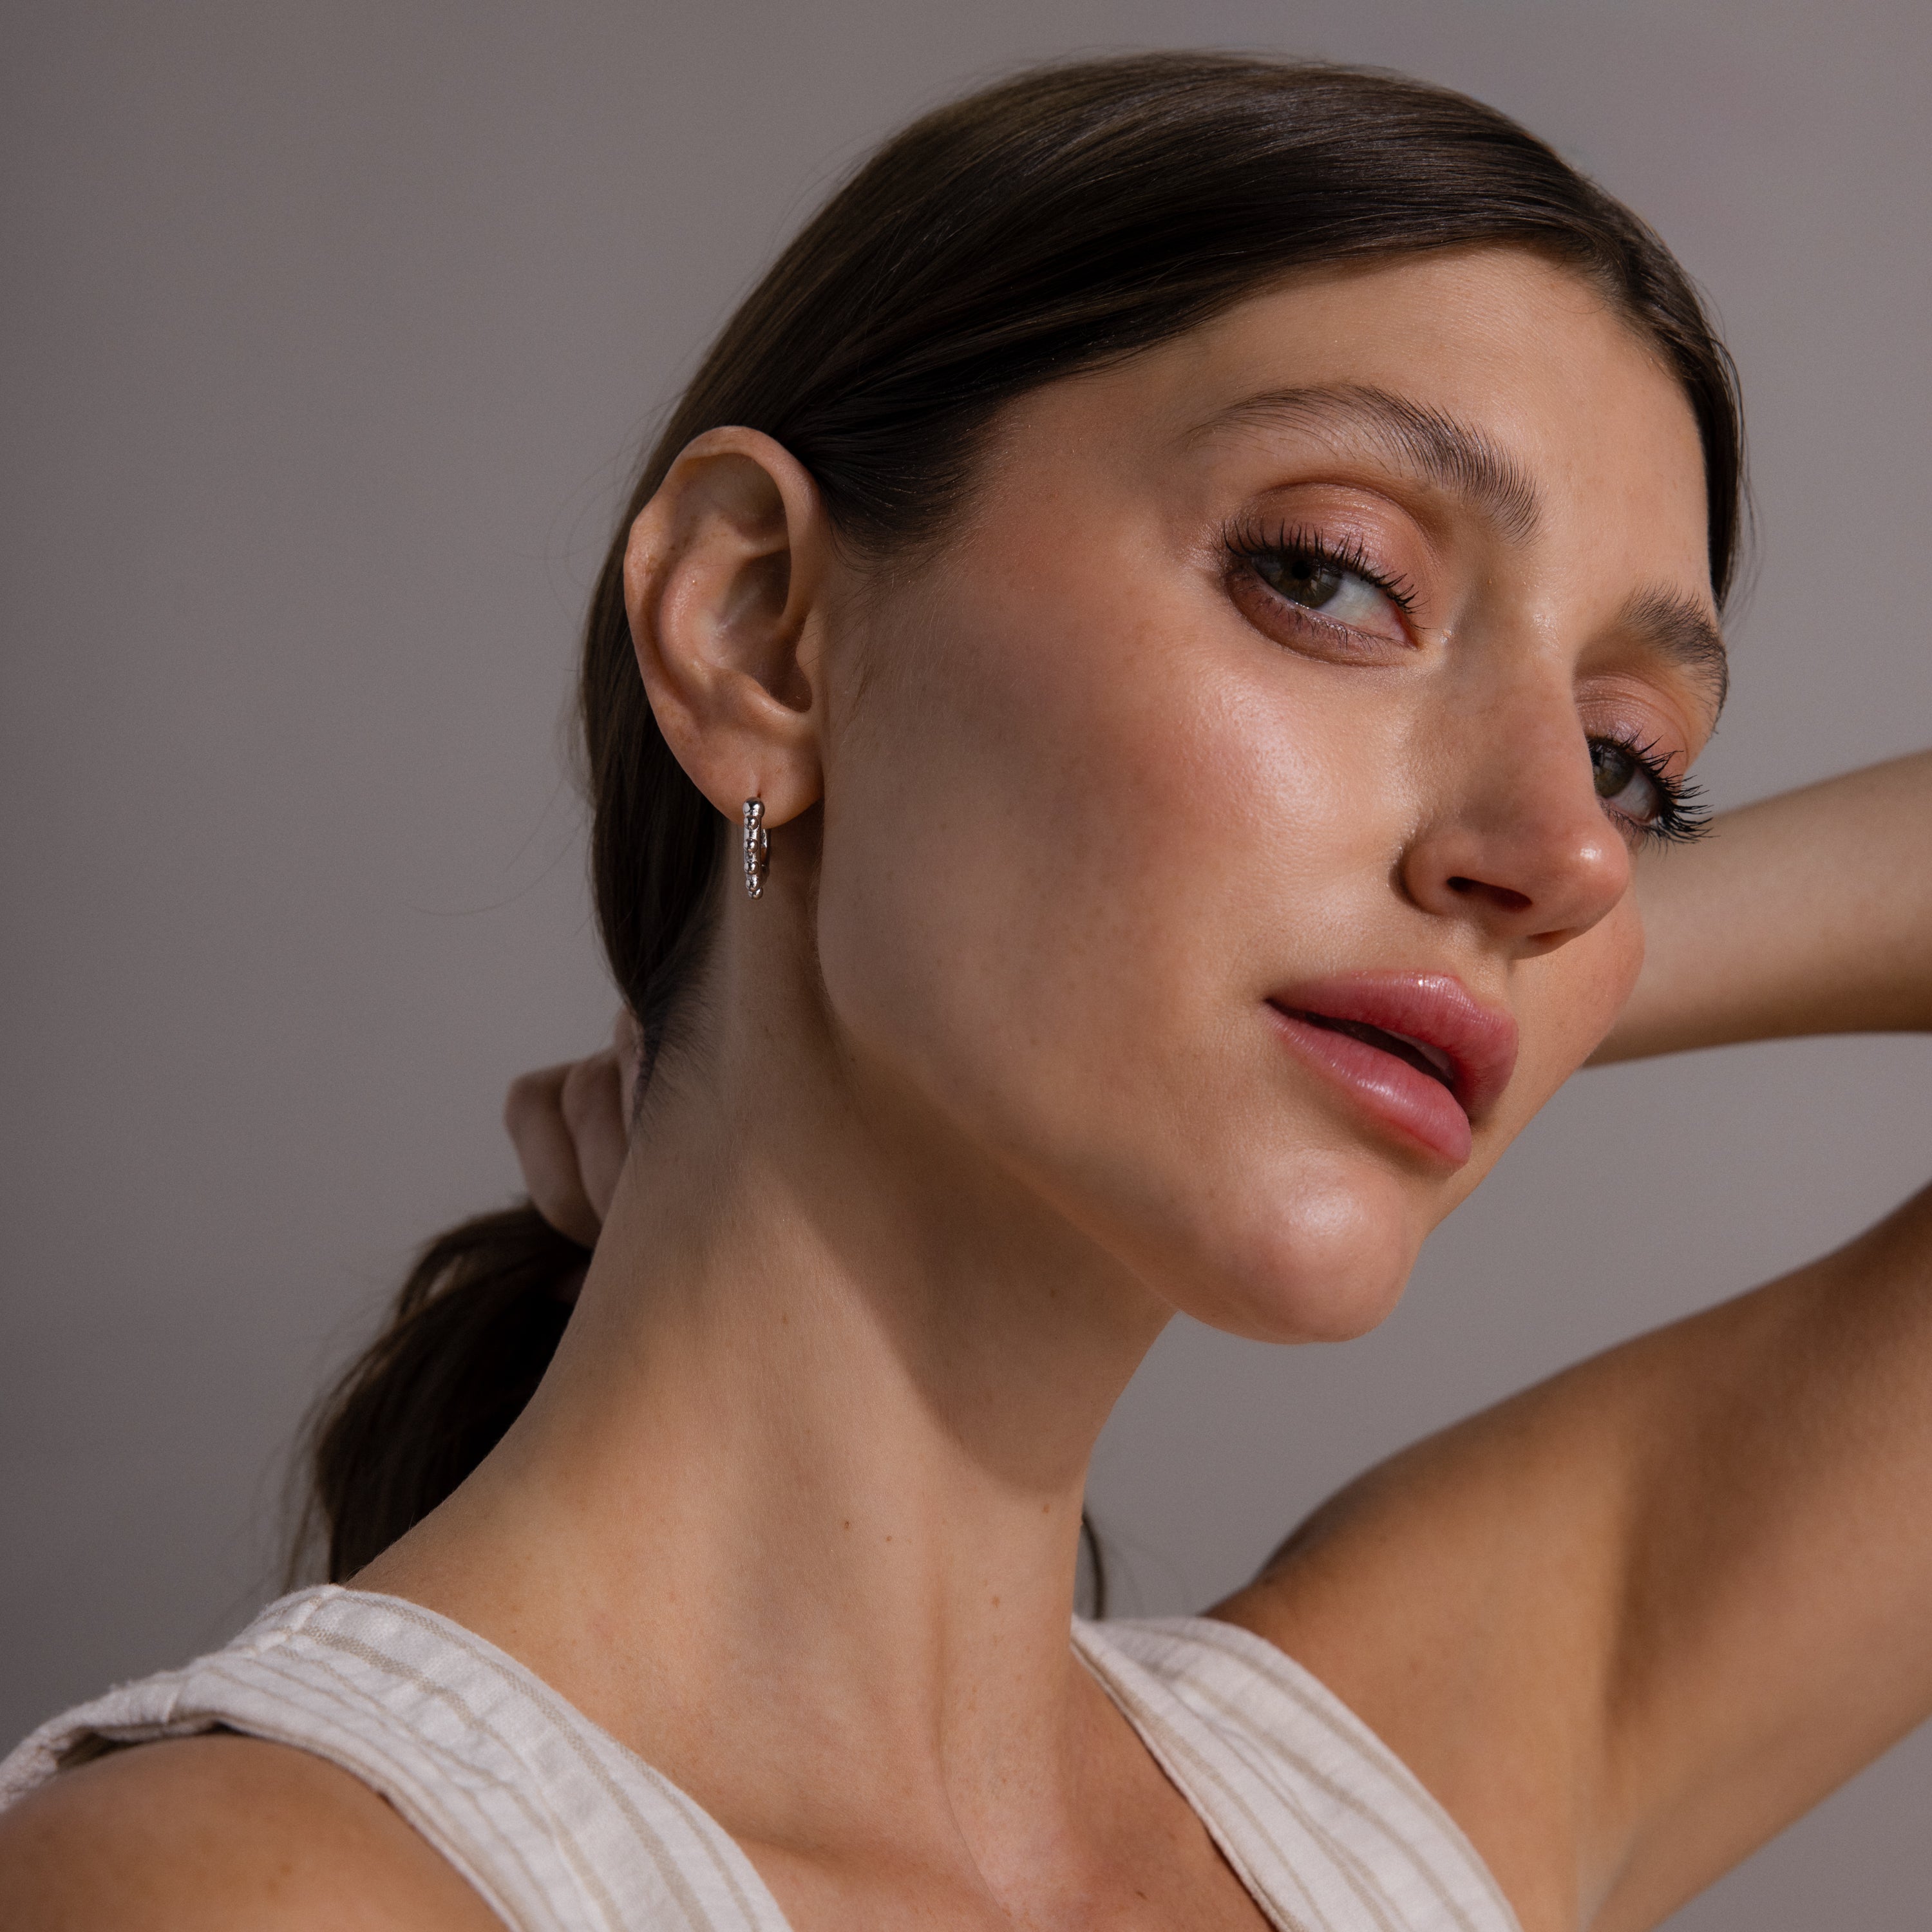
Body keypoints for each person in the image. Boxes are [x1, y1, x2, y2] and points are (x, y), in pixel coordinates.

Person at [2, 49, 1928, 1932]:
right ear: (760, 632)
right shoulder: (229, 1892)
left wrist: (1507, 983)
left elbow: (1548, 892)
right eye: (1334, 577)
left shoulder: (1393, 1800)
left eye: (1624, 761)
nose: (1575, 844)